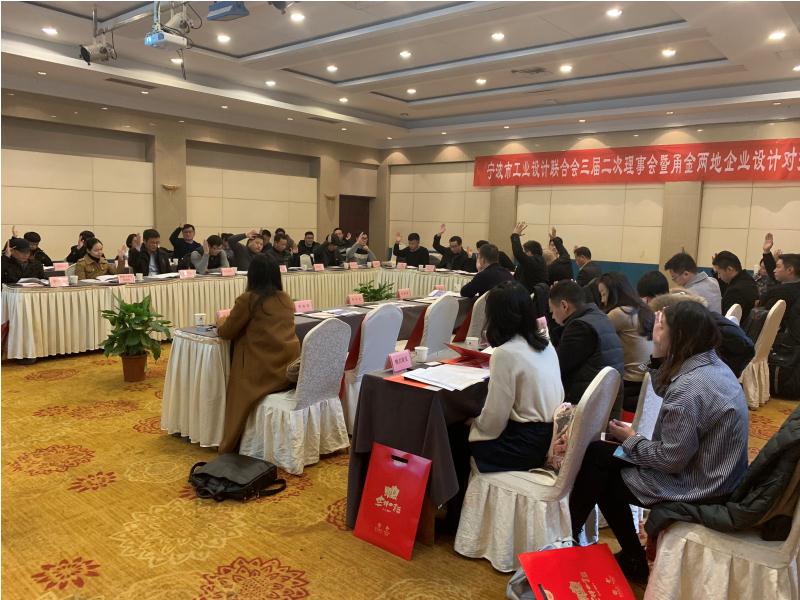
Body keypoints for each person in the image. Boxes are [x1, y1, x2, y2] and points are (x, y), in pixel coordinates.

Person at [569, 301, 749, 583]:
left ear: (679, 336)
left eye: (660, 327)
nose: (654, 331)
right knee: (600, 454)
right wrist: (656, 354)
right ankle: (578, 536)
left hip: (698, 485)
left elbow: (670, 460)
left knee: (605, 480)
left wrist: (632, 440)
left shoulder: (691, 388)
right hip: (714, 472)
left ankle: (599, 546)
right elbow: (667, 389)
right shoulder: (711, 363)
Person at [468, 281, 564, 471]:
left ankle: (457, 492)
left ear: (495, 317)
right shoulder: (546, 344)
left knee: (454, 436)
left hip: (522, 445)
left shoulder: (505, 353)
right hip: (549, 435)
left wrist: (476, 423)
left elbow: (495, 418)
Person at [216, 255, 301, 453]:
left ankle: (229, 443)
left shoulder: (248, 300)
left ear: (252, 276)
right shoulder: (285, 299)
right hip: (287, 370)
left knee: (237, 384)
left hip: (262, 372)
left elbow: (226, 332)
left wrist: (220, 321)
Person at [548, 280, 624, 416]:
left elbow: (556, 366)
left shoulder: (580, 327)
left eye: (552, 311)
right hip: (607, 403)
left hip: (589, 410)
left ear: (564, 306)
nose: (552, 316)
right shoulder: (599, 317)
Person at [649, 291, 754, 378]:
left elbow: (663, 388)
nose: (657, 329)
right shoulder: (705, 336)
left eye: (661, 325)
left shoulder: (693, 369)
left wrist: (657, 349)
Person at [598, 272, 654, 412]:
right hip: (649, 378)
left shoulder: (619, 313)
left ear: (614, 293)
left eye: (604, 294)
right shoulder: (644, 309)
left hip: (630, 382)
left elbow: (597, 336)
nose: (602, 300)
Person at [761, 242, 800, 344]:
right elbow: (773, 273)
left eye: (778, 267)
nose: (774, 270)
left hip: (781, 341)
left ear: (790, 270)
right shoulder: (793, 285)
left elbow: (761, 306)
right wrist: (766, 252)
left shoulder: (781, 291)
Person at [711, 251, 759, 322]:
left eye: (719, 273)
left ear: (729, 269)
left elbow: (725, 321)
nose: (718, 276)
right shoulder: (748, 280)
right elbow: (726, 287)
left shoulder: (734, 292)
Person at [509, 222, 548, 293]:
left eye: (524, 251)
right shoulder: (537, 260)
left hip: (529, 295)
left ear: (530, 252)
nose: (523, 254)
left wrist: (515, 235)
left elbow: (518, 254)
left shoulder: (536, 261)